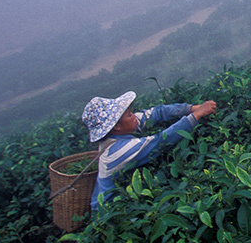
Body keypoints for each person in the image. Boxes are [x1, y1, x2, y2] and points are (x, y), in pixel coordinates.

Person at [81, 90, 218, 210]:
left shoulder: (118, 131)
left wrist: (192, 108)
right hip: (108, 213)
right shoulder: (118, 151)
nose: (134, 116)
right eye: (129, 115)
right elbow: (160, 141)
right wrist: (196, 116)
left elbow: (155, 113)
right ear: (116, 126)